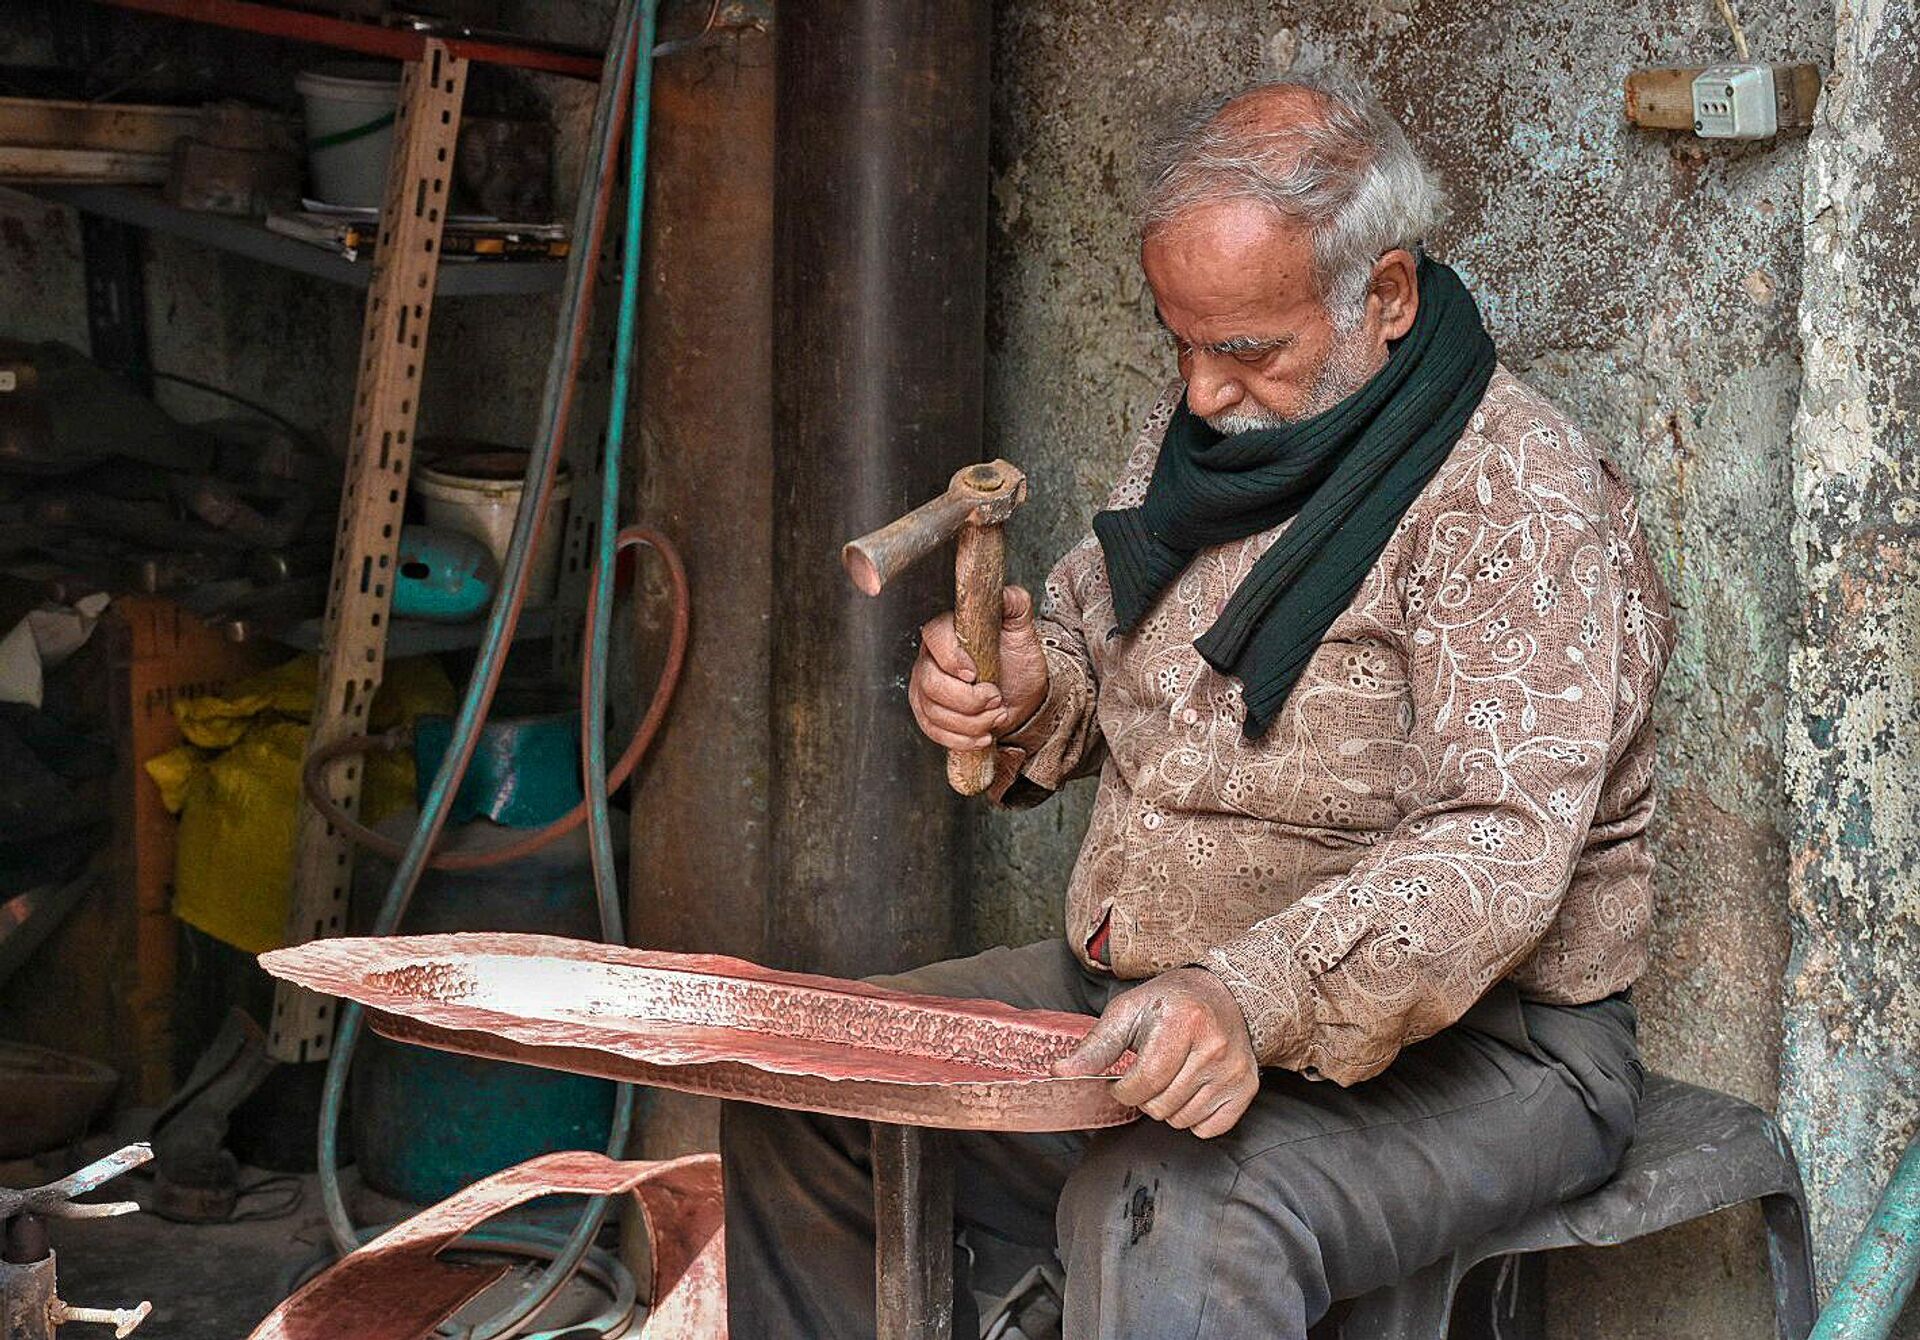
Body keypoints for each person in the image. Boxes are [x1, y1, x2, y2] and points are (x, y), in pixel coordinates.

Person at [723, 73, 1675, 1338]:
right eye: (1180, 341)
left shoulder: (1517, 493)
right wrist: (1017, 692)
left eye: (1244, 350)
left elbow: (1488, 852)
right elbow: (1095, 666)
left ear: (1382, 296)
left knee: (1173, 1208)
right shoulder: (1206, 435)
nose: (1204, 390)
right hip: (1150, 987)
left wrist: (1247, 996)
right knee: (816, 1088)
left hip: (1487, 1046)